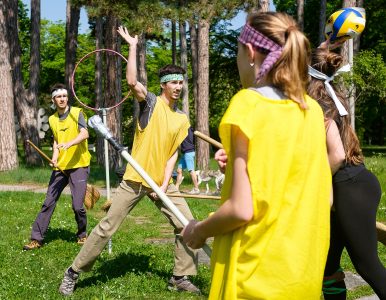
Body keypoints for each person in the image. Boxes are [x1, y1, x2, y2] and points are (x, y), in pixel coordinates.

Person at [182, 12, 332, 299]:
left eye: (238, 50)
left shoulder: (248, 105)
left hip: (254, 277)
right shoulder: (312, 111)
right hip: (303, 274)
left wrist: (199, 230)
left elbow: (241, 209)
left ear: (250, 53)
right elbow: (321, 195)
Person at [58, 26, 200, 296]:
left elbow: (173, 151)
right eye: (173, 82)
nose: (178, 87)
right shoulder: (151, 104)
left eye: (181, 82)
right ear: (163, 85)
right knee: (107, 227)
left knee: (187, 224)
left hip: (161, 182)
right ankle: (73, 272)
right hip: (135, 178)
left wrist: (165, 179)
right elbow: (133, 82)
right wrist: (133, 46)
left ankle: (180, 276)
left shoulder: (182, 119)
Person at [308, 47, 386, 300]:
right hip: (350, 185)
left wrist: (315, 183)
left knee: (367, 265)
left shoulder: (318, 104)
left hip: (349, 188)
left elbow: (337, 155)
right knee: (327, 265)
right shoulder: (331, 96)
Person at [23, 83, 91, 250]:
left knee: (77, 206)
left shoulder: (77, 113)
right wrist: (54, 158)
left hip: (79, 164)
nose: (62, 99)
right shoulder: (52, 119)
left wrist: (69, 144)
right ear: (54, 99)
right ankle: (36, 239)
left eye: (64, 96)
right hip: (60, 166)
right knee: (48, 202)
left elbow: (85, 133)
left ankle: (82, 234)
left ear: (67, 98)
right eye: (59, 97)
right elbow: (56, 142)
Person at [175, 126, 200, 194]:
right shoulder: (189, 129)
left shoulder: (185, 128)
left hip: (189, 152)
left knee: (191, 170)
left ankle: (196, 189)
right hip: (185, 153)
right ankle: (176, 188)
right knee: (179, 170)